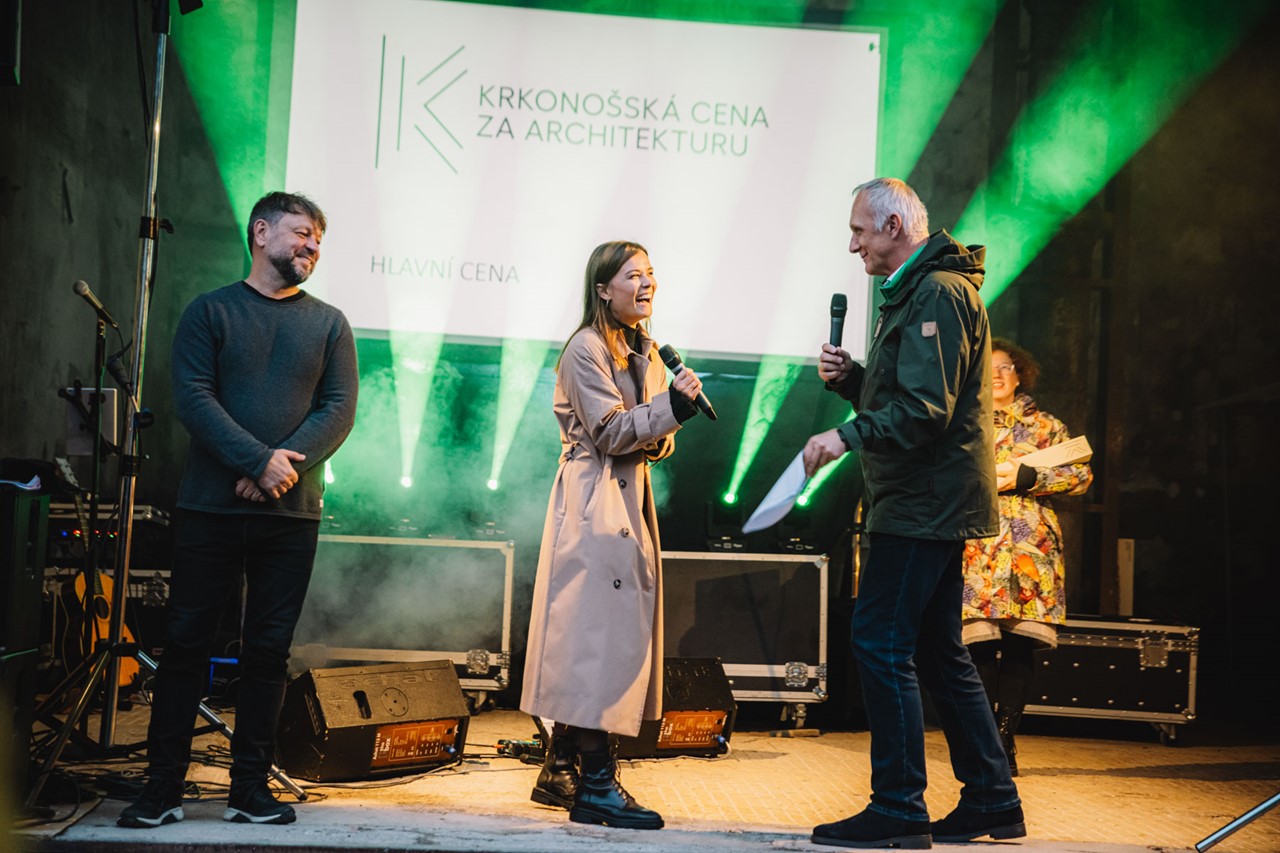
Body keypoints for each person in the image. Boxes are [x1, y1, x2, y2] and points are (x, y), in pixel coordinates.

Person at [118, 192, 358, 828]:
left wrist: (279, 470)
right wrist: (258, 462)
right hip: (209, 509)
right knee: (185, 646)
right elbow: (194, 398)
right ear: (261, 232)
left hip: (291, 514)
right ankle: (162, 788)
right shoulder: (210, 311)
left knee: (268, 653)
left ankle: (248, 789)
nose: (312, 247)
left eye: (318, 240)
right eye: (302, 233)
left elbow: (339, 410)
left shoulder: (330, 323)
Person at [803, 178, 1025, 848]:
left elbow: (927, 411)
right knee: (936, 648)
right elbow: (913, 396)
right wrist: (854, 382)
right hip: (925, 499)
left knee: (880, 641)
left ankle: (899, 808)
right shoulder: (921, 290)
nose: (854, 245)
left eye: (859, 231)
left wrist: (846, 435)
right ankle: (992, 798)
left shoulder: (938, 293)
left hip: (923, 503)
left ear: (894, 225)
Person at [520, 240, 703, 831]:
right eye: (633, 275)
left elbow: (650, 441)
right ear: (603, 289)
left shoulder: (643, 349)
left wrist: (669, 417)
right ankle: (597, 785)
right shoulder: (585, 348)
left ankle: (560, 769)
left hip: (628, 498)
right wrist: (671, 410)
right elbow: (610, 432)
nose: (647, 284)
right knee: (592, 638)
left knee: (603, 634)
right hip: (593, 500)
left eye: (650, 274)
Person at [962, 339, 1093, 776]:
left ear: (1020, 374)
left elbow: (1080, 475)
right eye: (990, 367)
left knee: (1019, 645)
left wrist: (1029, 476)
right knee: (978, 645)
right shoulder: (966, 419)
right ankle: (984, 741)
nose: (997, 374)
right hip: (978, 543)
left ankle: (1004, 739)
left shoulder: (1046, 425)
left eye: (1006, 367)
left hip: (1029, 547)